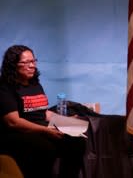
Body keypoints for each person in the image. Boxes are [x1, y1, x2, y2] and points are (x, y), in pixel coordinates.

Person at [0, 45, 86, 178]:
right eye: (26, 62)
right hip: (17, 133)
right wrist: (45, 130)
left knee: (77, 142)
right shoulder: (5, 87)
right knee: (45, 148)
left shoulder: (35, 84)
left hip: (40, 128)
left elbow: (44, 113)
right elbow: (13, 122)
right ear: (13, 65)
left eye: (33, 61)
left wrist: (66, 121)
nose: (32, 66)